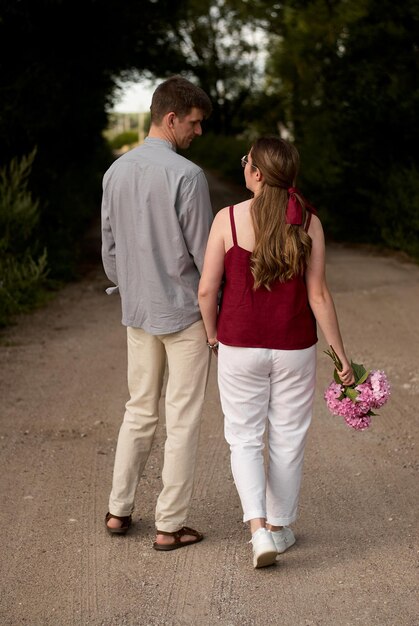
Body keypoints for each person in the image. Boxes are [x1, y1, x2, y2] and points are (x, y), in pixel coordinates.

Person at [198, 136, 355, 568]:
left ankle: (258, 530)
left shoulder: (227, 220)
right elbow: (318, 294)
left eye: (247, 160)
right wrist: (341, 357)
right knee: (287, 438)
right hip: (294, 348)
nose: (244, 165)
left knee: (244, 438)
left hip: (239, 344)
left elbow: (207, 290)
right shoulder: (307, 222)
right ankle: (281, 526)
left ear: (257, 173)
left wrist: (213, 336)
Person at [101, 75, 214, 551]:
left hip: (138, 311)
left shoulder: (115, 172)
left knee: (139, 410)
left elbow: (109, 249)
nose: (198, 132)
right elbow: (207, 255)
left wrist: (132, 289)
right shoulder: (187, 175)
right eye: (194, 122)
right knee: (182, 418)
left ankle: (118, 511)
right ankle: (169, 525)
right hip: (185, 314)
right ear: (171, 118)